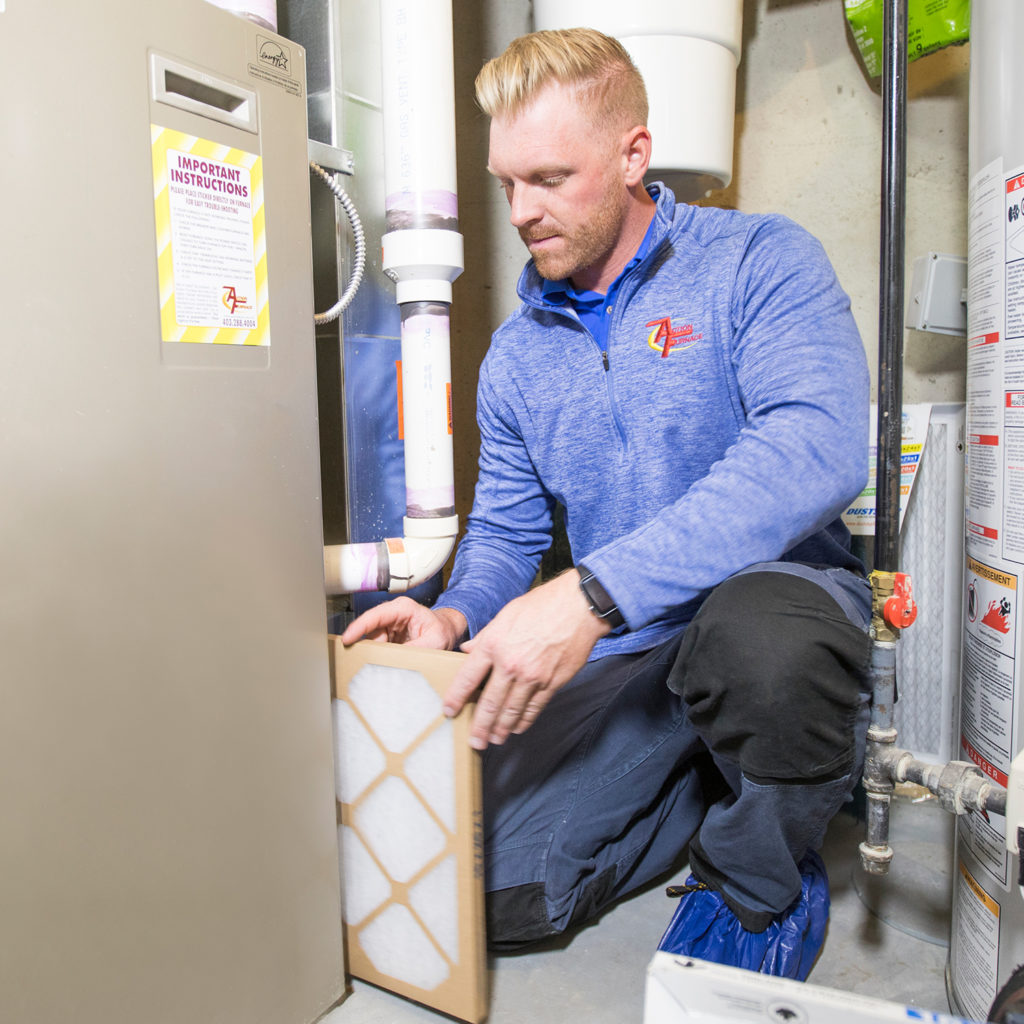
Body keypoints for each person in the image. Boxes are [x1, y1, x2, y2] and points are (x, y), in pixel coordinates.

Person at [341, 26, 873, 969]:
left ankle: (763, 874)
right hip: (629, 652)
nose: (521, 210)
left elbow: (816, 447)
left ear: (634, 155)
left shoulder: (757, 262)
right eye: (507, 183)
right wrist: (454, 615)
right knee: (480, 888)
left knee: (765, 647)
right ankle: (710, 783)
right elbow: (506, 536)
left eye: (548, 178)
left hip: (769, 605)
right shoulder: (518, 355)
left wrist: (590, 593)